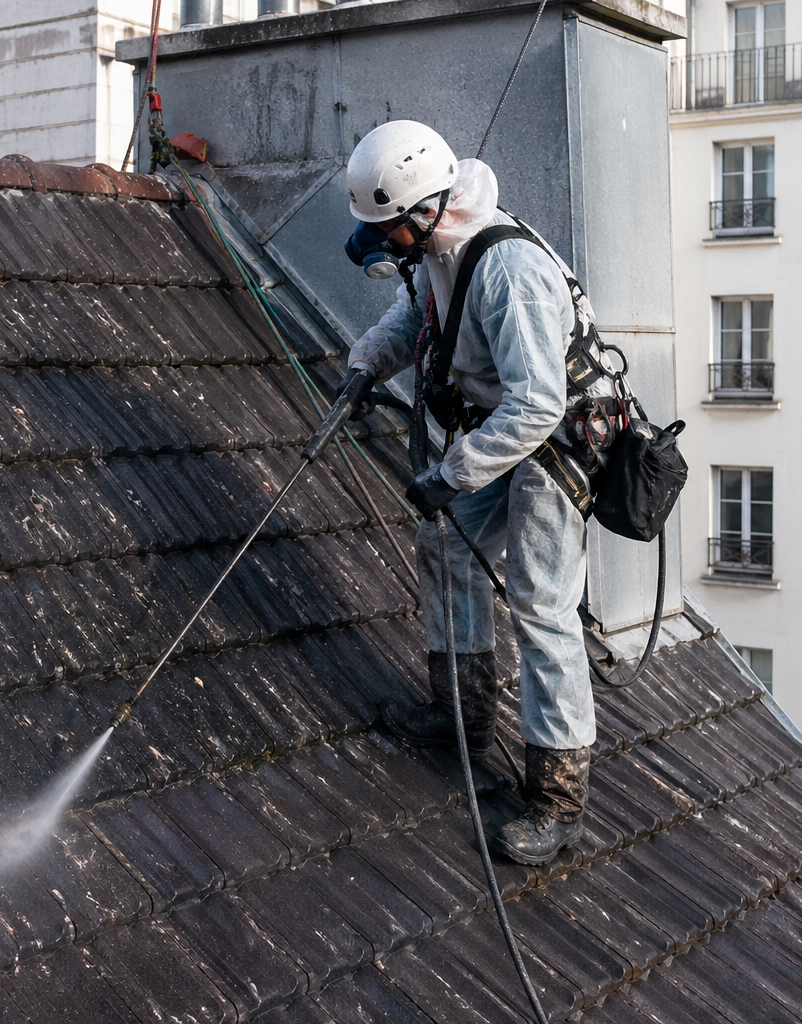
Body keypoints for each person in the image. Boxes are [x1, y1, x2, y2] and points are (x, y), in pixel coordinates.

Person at [339, 120, 597, 866]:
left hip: (557, 437)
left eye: (388, 231)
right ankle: (462, 717)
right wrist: (365, 366)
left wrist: (448, 474)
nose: (386, 248)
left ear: (421, 212)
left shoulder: (506, 269)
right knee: (446, 541)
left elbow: (540, 403)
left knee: (542, 602)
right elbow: (414, 316)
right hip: (500, 427)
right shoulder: (438, 248)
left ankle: (557, 798)